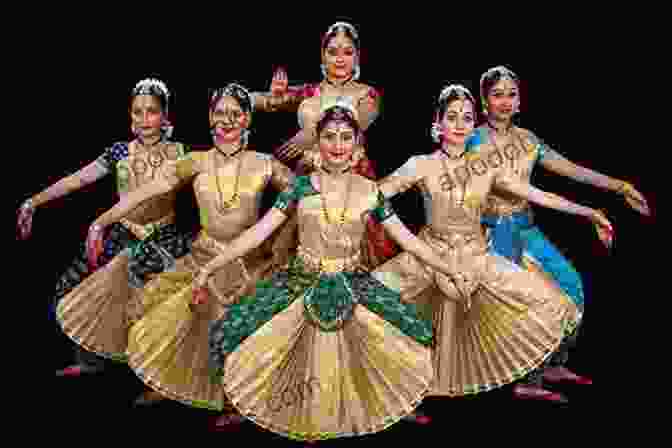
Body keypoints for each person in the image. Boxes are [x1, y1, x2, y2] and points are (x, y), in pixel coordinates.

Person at [206, 98, 462, 442]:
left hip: (353, 278)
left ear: (356, 144)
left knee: (416, 331)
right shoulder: (300, 187)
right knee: (232, 330)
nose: (337, 145)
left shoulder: (371, 192)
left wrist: (447, 268)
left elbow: (409, 241)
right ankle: (258, 406)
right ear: (318, 141)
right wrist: (211, 265)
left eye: (345, 137)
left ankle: (392, 403)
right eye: (329, 137)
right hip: (300, 277)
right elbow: (259, 232)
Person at [372, 84, 611, 405]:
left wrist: (590, 212)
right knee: (368, 307)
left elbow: (537, 195)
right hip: (430, 254)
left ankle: (533, 375)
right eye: (452, 117)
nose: (459, 124)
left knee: (556, 305)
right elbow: (373, 195)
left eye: (467, 118)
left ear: (474, 124)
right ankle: (393, 393)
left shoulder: (485, 165)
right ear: (438, 123)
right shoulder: (420, 164)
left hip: (476, 256)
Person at [85, 83, 293, 423]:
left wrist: (282, 246)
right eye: (220, 113)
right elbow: (144, 193)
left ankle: (236, 402)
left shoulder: (264, 163)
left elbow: (303, 197)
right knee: (146, 305)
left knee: (233, 323)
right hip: (203, 254)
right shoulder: (194, 161)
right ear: (210, 118)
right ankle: (165, 381)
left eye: (235, 114)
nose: (227, 121)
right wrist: (100, 222)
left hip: (246, 262)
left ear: (247, 120)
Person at [465, 65, 648, 400]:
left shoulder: (528, 140)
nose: (505, 102)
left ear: (520, 100)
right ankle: (527, 382)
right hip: (495, 235)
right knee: (531, 306)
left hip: (527, 229)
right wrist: (589, 213)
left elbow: (572, 170)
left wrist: (621, 187)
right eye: (497, 95)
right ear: (484, 101)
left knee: (573, 288)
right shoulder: (475, 141)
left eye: (511, 94)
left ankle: (553, 363)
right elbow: (520, 189)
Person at [17, 78, 193, 379]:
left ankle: (156, 374)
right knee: (70, 288)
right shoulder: (119, 153)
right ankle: (89, 361)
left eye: (151, 112)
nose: (144, 119)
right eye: (137, 112)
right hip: (122, 233)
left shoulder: (181, 153)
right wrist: (33, 202)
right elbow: (78, 179)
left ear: (165, 116)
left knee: (151, 302)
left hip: (163, 238)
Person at [252, 21, 397, 265]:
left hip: (350, 176)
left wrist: (310, 134)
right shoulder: (310, 92)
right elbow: (256, 101)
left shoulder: (367, 94)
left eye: (347, 52)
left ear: (358, 56)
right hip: (310, 176)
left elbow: (355, 121)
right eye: (332, 51)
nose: (340, 59)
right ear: (322, 55)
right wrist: (270, 96)